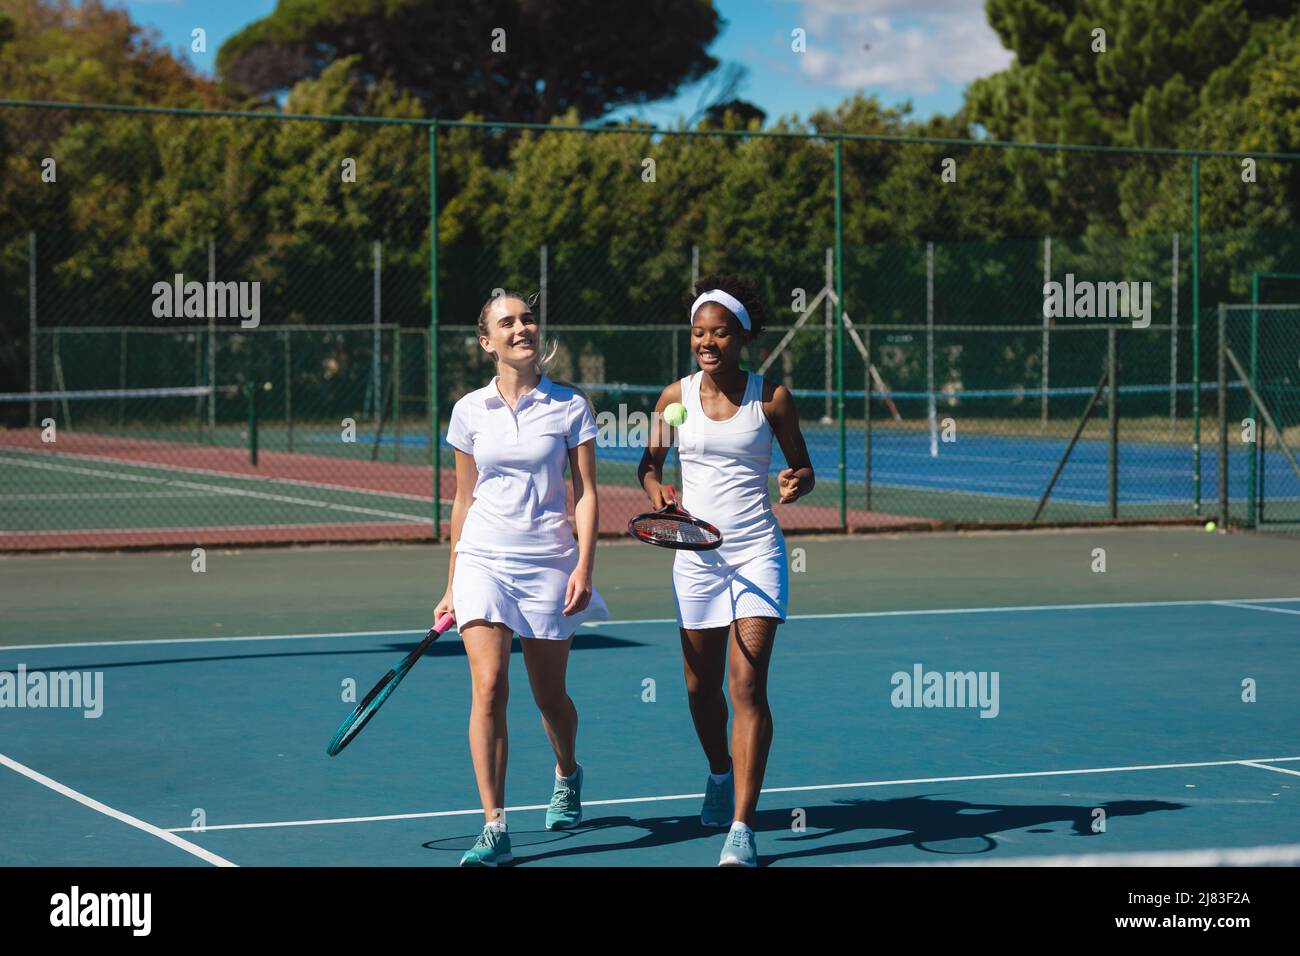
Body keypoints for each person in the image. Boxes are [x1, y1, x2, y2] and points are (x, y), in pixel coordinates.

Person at [637, 275, 815, 867]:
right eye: (698, 333)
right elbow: (649, 465)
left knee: (747, 686)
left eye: (719, 332)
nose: (706, 342)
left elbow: (801, 467)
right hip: (695, 557)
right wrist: (658, 488)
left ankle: (741, 826)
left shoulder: (773, 398)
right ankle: (719, 771)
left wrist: (795, 481)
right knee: (699, 687)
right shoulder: (672, 398)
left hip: (756, 554)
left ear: (742, 337)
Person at [436, 290, 609, 867]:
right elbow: (463, 500)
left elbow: (584, 493)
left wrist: (584, 564)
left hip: (549, 563)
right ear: (487, 342)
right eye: (506, 322)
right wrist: (452, 580)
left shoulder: (570, 406)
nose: (521, 328)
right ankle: (494, 823)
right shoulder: (467, 411)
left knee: (549, 695)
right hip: (483, 559)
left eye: (527, 318)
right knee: (488, 687)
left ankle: (567, 771)